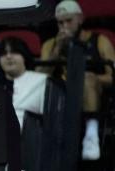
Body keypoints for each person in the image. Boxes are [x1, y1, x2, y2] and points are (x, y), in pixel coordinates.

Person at [39, 0, 114, 160]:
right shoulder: (50, 44)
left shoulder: (99, 40)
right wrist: (57, 49)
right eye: (60, 22)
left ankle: (91, 134)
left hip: (92, 91)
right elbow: (39, 77)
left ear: (80, 19)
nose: (64, 26)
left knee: (85, 78)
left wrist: (93, 79)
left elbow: (112, 75)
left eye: (69, 21)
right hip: (60, 97)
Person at [0, 37, 49, 134]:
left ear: (24, 56)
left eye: (14, 52)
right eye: (4, 53)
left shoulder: (42, 81)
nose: (8, 56)